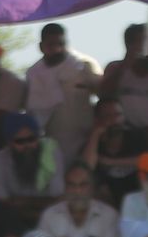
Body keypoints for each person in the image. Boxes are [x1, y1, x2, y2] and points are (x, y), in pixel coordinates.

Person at [25, 22, 103, 161]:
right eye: (51, 45)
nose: (57, 49)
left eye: (60, 44)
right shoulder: (33, 74)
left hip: (85, 140)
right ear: (41, 47)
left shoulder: (83, 64)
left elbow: (103, 94)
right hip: (52, 144)